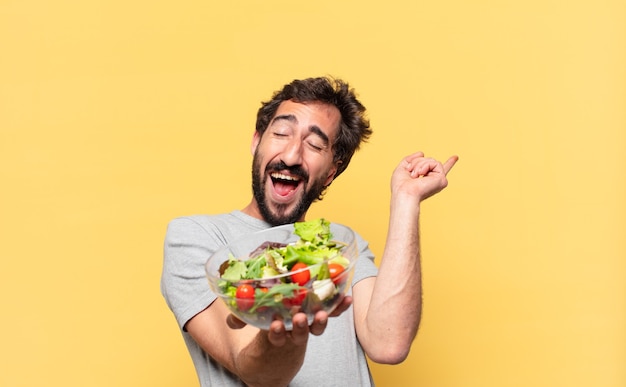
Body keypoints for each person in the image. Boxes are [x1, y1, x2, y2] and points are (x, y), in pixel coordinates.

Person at [161, 76, 458, 386]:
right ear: (256, 141)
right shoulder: (196, 238)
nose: (291, 156)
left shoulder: (340, 246)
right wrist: (291, 326)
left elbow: (389, 343)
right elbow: (255, 370)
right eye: (280, 133)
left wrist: (406, 201)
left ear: (331, 172)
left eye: (315, 144)